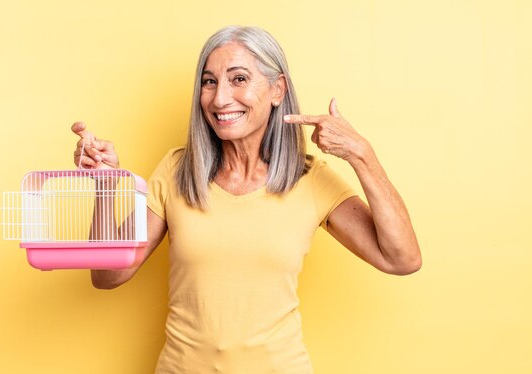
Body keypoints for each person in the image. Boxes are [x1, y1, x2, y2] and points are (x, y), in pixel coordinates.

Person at [71, 26, 421, 374]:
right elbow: (107, 276)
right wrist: (105, 185)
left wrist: (361, 154)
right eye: (209, 82)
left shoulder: (309, 179)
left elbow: (401, 259)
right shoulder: (178, 170)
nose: (220, 98)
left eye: (238, 79)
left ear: (277, 89)